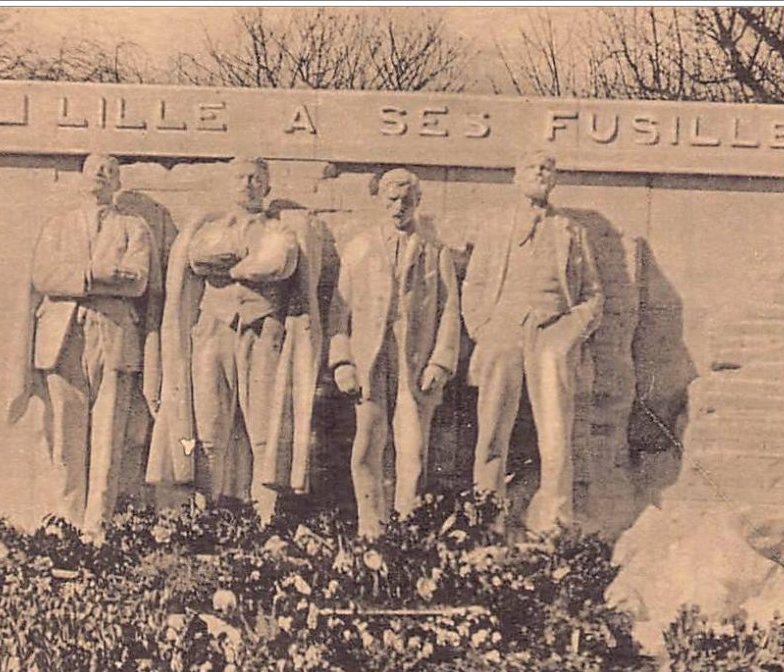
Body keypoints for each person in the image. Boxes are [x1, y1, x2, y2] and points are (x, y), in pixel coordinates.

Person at [148, 157, 325, 521]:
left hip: (262, 332)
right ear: (231, 184)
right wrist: (246, 261)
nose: (248, 184)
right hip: (213, 331)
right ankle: (206, 517)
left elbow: (280, 263)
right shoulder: (211, 226)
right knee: (209, 427)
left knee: (264, 429)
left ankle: (266, 520)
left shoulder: (279, 230)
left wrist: (233, 267)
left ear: (267, 187)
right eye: (242, 178)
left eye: (256, 179)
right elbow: (199, 258)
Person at [460, 151, 603, 534]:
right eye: (531, 168)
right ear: (515, 178)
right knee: (492, 426)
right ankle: (487, 515)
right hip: (503, 330)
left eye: (547, 169)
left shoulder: (571, 231)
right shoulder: (494, 228)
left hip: (553, 332)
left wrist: (570, 331)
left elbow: (593, 295)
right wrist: (483, 329)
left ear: (554, 180)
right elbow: (472, 285)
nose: (540, 173)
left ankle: (555, 518)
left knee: (556, 430)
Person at [21, 153, 156, 535]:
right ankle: (65, 522)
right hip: (64, 337)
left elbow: (137, 279)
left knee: (109, 437)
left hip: (113, 335)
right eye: (95, 168)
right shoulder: (58, 225)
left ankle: (98, 526)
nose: (101, 174)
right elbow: (45, 275)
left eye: (110, 170)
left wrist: (84, 280)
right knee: (65, 433)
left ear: (118, 184)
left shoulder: (134, 227)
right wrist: (97, 276)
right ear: (83, 177)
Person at [328, 168, 462, 538]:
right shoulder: (358, 248)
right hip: (370, 362)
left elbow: (450, 310)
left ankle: (405, 532)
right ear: (379, 200)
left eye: (406, 200)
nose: (398, 207)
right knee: (367, 447)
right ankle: (371, 530)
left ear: (417, 202)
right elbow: (339, 312)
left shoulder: (435, 252)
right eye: (391, 199)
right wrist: (342, 362)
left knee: (412, 448)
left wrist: (440, 361)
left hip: (414, 364)